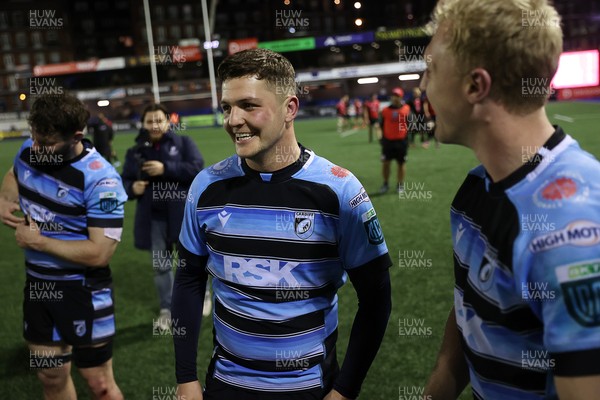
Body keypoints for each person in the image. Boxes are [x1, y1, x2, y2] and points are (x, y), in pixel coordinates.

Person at [173, 48, 392, 400]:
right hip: (225, 384)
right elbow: (188, 277)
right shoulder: (206, 186)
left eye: (248, 105)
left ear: (290, 108)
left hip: (309, 388)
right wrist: (185, 377)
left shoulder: (339, 191)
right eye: (227, 107)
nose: (232, 120)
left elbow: (377, 297)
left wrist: (346, 390)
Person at [421, 0, 600, 398]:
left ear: (475, 86)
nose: (422, 86)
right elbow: (472, 304)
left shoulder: (572, 228)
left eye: (431, 70)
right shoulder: (476, 188)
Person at [0, 93, 126, 399]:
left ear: (76, 137)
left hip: (83, 291)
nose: (37, 149)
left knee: (99, 384)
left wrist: (39, 242)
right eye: (34, 139)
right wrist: (4, 198)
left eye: (47, 143)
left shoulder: (102, 180)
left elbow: (99, 253)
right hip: (38, 288)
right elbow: (15, 172)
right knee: (50, 376)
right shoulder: (31, 149)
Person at [121, 104, 205, 330]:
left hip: (181, 215)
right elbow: (124, 181)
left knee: (190, 261)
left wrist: (165, 168)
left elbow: (198, 168)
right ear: (144, 124)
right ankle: (167, 309)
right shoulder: (135, 152)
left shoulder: (184, 143)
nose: (154, 125)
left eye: (159, 120)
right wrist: (132, 188)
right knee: (161, 266)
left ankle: (201, 296)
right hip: (153, 218)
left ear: (168, 122)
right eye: (149, 121)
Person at [378, 88, 411, 194]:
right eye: (393, 95)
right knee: (385, 163)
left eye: (397, 95)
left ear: (401, 97)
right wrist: (380, 138)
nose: (395, 97)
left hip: (401, 142)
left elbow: (410, 124)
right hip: (388, 142)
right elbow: (380, 126)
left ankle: (400, 184)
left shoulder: (407, 109)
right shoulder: (385, 111)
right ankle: (385, 183)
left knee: (401, 164)